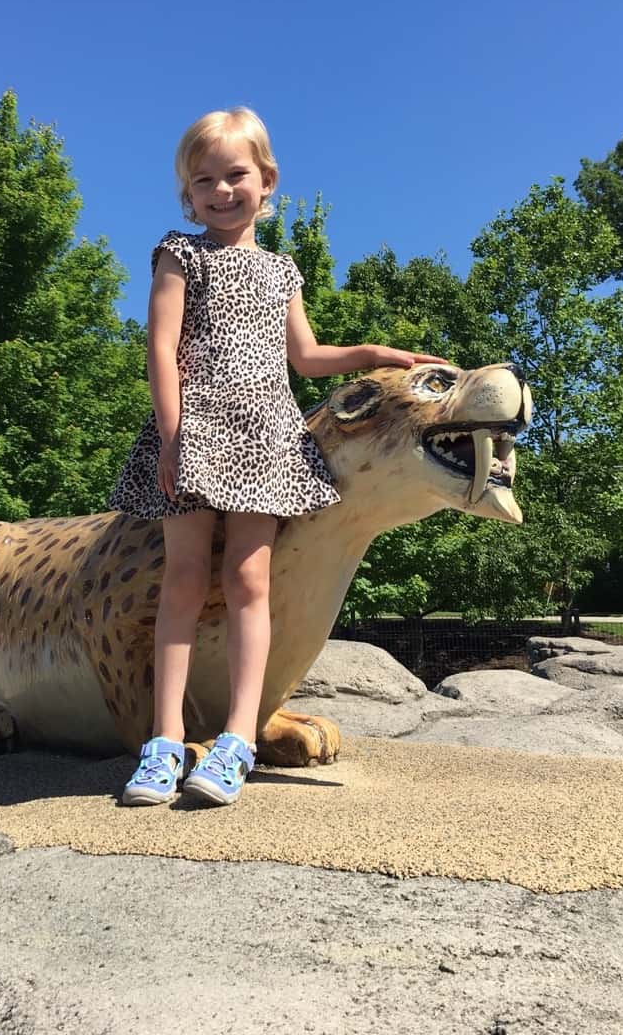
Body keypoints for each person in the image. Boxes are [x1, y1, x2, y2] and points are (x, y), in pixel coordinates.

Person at [109, 108, 444, 807]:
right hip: (194, 428)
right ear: (187, 194)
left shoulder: (281, 270)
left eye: (235, 175)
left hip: (264, 433)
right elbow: (162, 350)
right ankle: (164, 739)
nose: (220, 190)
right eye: (204, 180)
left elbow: (307, 355)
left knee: (249, 579)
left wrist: (377, 355)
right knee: (184, 579)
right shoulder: (180, 253)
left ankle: (237, 737)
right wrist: (172, 436)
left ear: (266, 183)